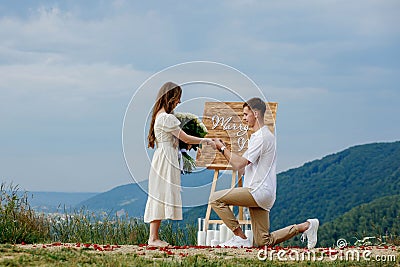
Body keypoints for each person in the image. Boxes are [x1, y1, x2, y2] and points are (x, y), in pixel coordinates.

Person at [210, 97, 319, 248]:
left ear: (255, 113)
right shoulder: (261, 137)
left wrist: (222, 149)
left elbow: (239, 163)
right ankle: (305, 226)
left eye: (245, 114)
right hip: (263, 193)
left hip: (257, 191)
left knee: (215, 199)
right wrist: (224, 151)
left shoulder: (262, 137)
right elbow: (241, 168)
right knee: (263, 242)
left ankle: (240, 237)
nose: (244, 118)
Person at [144, 82, 216, 247]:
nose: (179, 101)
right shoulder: (167, 118)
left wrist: (183, 144)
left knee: (160, 192)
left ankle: (154, 237)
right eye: (177, 98)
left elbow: (178, 139)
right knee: (160, 193)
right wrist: (206, 140)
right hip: (166, 158)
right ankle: (153, 238)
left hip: (164, 156)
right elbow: (185, 137)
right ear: (170, 98)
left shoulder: (160, 116)